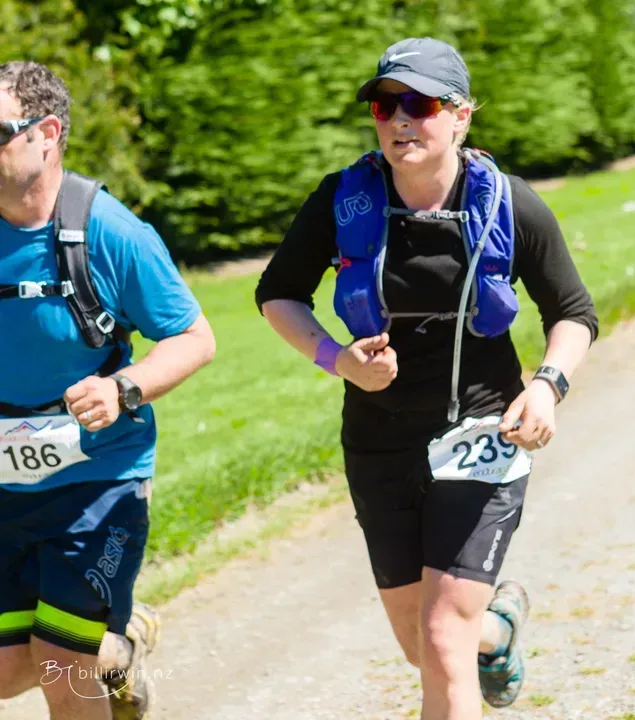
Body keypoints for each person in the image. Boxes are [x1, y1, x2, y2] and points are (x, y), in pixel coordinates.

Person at [256, 37, 597, 720]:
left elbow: (573, 312)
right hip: (380, 440)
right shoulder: (342, 201)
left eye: (420, 104)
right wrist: (338, 360)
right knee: (424, 644)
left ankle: (473, 634)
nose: (401, 120)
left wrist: (546, 385)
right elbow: (277, 294)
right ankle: (497, 631)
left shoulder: (509, 203)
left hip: (484, 433)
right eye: (386, 107)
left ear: (461, 115)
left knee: (443, 641)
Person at [0, 61, 216, 719]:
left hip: (98, 479)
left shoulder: (110, 232)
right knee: (10, 671)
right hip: (5, 483)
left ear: (47, 134)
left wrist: (124, 388)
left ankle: (94, 649)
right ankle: (117, 649)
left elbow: (194, 337)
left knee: (62, 666)